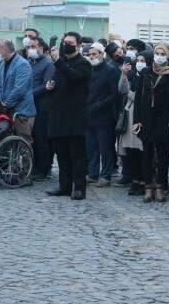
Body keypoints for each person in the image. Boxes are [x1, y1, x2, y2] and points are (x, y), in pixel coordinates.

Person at [45, 32, 92, 200]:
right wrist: (50, 87)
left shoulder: (83, 64)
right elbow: (58, 81)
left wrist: (57, 61)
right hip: (58, 115)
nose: (66, 45)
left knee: (77, 155)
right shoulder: (61, 63)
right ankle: (64, 186)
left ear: (78, 45)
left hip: (75, 116)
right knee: (62, 154)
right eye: (64, 42)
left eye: (70, 42)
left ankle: (79, 188)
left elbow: (73, 77)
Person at [134, 41, 169, 202]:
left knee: (163, 154)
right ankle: (148, 186)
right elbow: (138, 97)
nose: (159, 57)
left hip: (163, 118)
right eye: (157, 53)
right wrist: (136, 120)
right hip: (146, 117)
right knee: (147, 154)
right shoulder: (146, 72)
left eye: (162, 54)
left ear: (168, 56)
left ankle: (160, 186)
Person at [85, 42, 120, 187]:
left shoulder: (111, 70)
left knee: (105, 147)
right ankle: (92, 174)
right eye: (89, 54)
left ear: (101, 54)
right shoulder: (88, 70)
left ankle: (106, 175)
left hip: (104, 115)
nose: (92, 57)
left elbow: (114, 94)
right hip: (88, 115)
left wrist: (99, 105)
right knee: (91, 147)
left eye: (94, 54)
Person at [0, 39, 36, 144]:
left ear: (5, 49)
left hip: (21, 111)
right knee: (5, 142)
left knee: (23, 142)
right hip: (5, 109)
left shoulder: (22, 64)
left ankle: (27, 161)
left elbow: (20, 89)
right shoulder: (2, 64)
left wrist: (5, 104)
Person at [117, 50, 146, 196]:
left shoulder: (148, 76)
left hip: (142, 116)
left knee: (142, 151)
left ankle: (143, 180)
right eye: (138, 60)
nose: (140, 63)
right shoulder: (132, 74)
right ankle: (135, 179)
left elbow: (139, 95)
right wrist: (123, 74)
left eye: (143, 60)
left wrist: (129, 93)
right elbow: (121, 89)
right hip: (129, 116)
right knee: (131, 151)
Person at [26, 37, 54, 181]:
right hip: (28, 105)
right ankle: (33, 166)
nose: (31, 49)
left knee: (41, 138)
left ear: (42, 48)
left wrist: (28, 94)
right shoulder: (29, 63)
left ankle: (43, 169)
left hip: (41, 106)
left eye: (34, 46)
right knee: (32, 138)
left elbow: (47, 85)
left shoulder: (48, 64)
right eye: (29, 46)